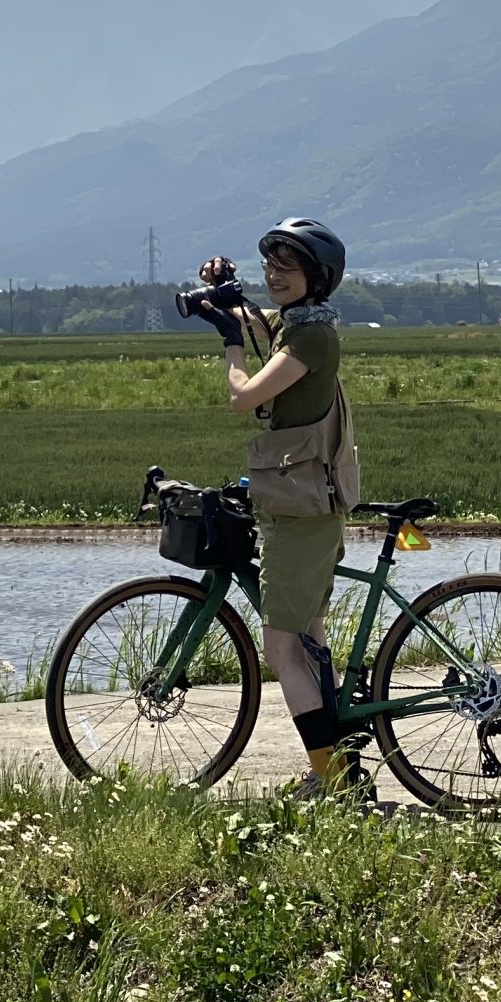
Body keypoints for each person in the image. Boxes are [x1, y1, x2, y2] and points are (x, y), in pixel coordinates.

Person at [190, 218, 364, 797]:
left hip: (302, 512)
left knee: (282, 649)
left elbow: (244, 397)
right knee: (309, 639)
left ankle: (332, 778)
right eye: (270, 266)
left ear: (317, 279)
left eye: (287, 268)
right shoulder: (302, 325)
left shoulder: (312, 339)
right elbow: (261, 324)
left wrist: (230, 342)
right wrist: (227, 291)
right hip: (301, 502)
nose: (275, 276)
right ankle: (339, 765)